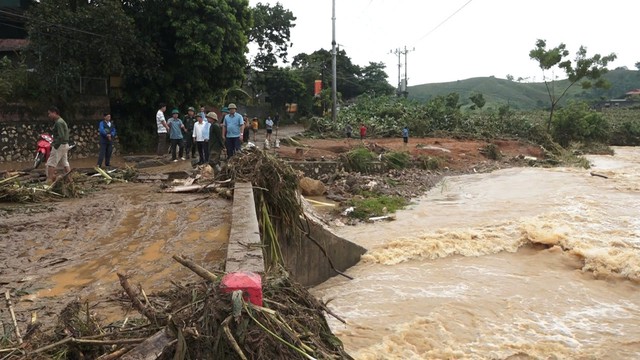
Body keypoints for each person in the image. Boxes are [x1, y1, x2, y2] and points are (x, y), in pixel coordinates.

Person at [45, 106, 71, 183]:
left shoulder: (59, 123)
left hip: (60, 145)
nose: (49, 115)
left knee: (51, 163)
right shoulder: (61, 121)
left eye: (49, 113)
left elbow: (61, 136)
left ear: (54, 113)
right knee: (65, 163)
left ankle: (49, 180)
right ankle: (70, 180)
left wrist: (55, 145)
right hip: (65, 144)